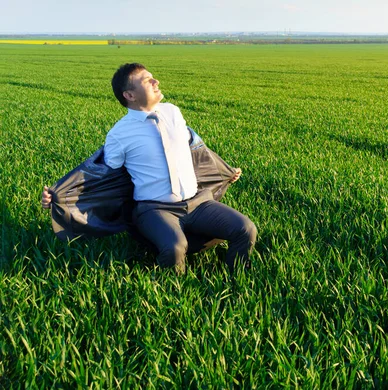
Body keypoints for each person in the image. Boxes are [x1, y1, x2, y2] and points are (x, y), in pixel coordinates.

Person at [41, 63, 257, 273]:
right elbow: (99, 174)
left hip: (198, 203)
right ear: (129, 95)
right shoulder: (119, 134)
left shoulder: (173, 113)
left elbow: (196, 147)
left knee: (245, 229)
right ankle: (174, 295)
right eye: (147, 80)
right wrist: (59, 194)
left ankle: (238, 277)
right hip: (155, 209)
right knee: (174, 248)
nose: (156, 81)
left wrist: (225, 171)